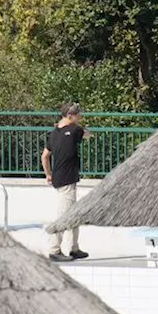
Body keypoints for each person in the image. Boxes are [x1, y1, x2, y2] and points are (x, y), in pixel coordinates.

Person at [42, 102, 90, 262]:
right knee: (63, 216)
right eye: (78, 115)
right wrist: (79, 127)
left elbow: (45, 156)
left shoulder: (53, 133)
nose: (79, 117)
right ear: (70, 116)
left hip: (59, 178)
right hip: (67, 179)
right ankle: (54, 250)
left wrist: (48, 174)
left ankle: (74, 248)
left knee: (74, 214)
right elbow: (88, 135)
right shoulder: (76, 130)